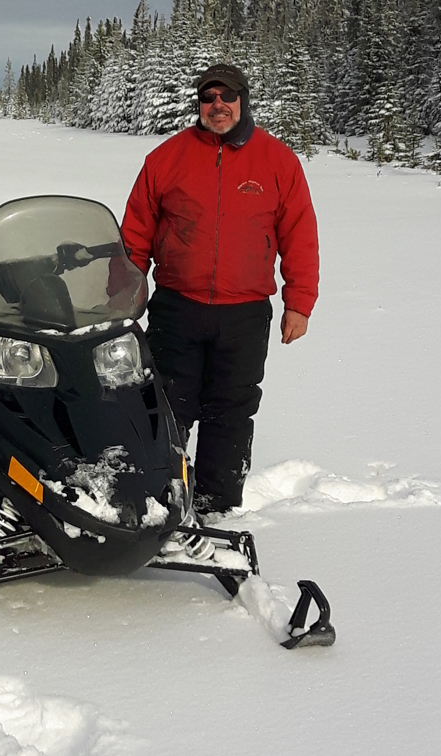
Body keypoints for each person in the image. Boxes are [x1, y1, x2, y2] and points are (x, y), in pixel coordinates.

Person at [121, 63, 319, 515]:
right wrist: (126, 293)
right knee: (165, 409)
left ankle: (217, 507)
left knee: (230, 411)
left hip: (245, 313)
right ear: (199, 105)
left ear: (243, 100)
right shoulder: (166, 159)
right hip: (177, 307)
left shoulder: (278, 161)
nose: (218, 106)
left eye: (227, 97)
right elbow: (135, 234)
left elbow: (300, 236)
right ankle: (159, 502)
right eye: (208, 98)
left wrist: (299, 303)